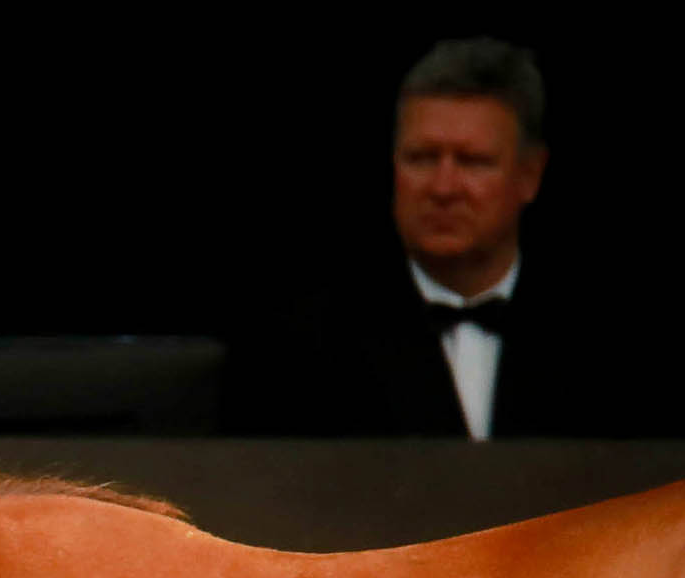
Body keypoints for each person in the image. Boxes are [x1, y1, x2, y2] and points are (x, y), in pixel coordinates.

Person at [225, 39, 667, 437]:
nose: (443, 188)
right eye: (421, 158)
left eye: (473, 162)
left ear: (529, 175)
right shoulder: (304, 346)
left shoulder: (612, 342)